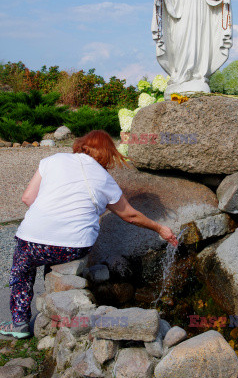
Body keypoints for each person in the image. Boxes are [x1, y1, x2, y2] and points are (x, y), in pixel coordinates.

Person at [0, 130, 178, 339]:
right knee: (57, 254)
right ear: (108, 154)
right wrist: (160, 229)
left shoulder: (53, 160)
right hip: (74, 247)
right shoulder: (104, 178)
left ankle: (19, 322)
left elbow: (28, 198)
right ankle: (58, 303)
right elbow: (130, 215)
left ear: (81, 145)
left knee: (22, 270)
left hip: (33, 243)